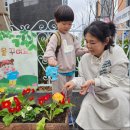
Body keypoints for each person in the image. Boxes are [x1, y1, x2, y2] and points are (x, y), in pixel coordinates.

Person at [64, 21, 130, 130]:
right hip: (97, 94)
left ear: (106, 41)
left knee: (116, 98)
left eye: (92, 42)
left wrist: (94, 81)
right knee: (87, 105)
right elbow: (84, 78)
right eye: (86, 42)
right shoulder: (85, 58)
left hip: (118, 90)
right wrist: (73, 82)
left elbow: (116, 79)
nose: (88, 46)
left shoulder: (116, 53)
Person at [43, 5, 87, 97]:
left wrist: (85, 50)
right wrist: (51, 58)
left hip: (71, 71)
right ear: (56, 21)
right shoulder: (56, 36)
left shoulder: (71, 37)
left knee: (68, 93)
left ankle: (67, 111)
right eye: (64, 23)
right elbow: (50, 49)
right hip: (59, 73)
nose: (67, 26)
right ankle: (59, 111)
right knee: (59, 95)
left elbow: (77, 51)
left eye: (70, 24)